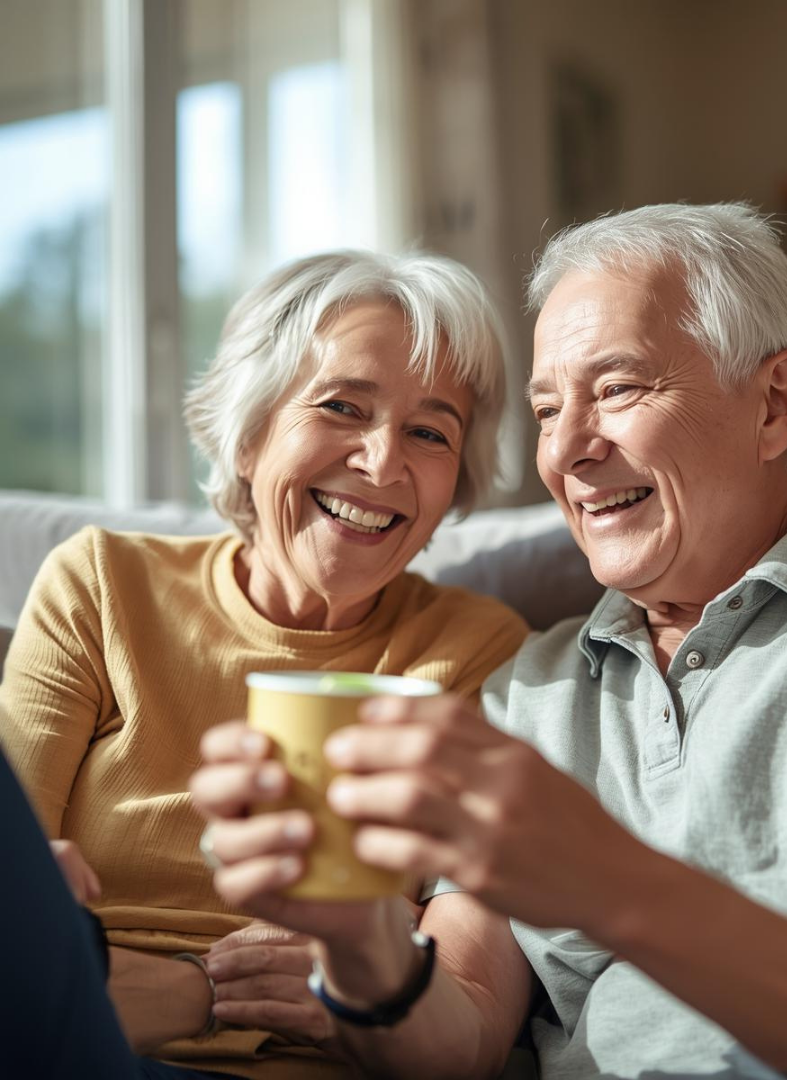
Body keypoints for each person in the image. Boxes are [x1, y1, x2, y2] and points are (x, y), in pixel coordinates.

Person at [189, 204, 787, 1080]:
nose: (566, 452)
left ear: (777, 404)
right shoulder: (530, 689)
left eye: (616, 389)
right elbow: (463, 1032)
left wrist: (608, 879)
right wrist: (362, 943)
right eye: (547, 410)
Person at [0, 249, 529, 1079]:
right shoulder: (101, 584)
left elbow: (463, 1006)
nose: (382, 462)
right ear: (248, 437)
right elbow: (15, 896)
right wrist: (202, 990)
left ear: (454, 485)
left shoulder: (478, 653)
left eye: (430, 432)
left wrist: (358, 973)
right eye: (342, 406)